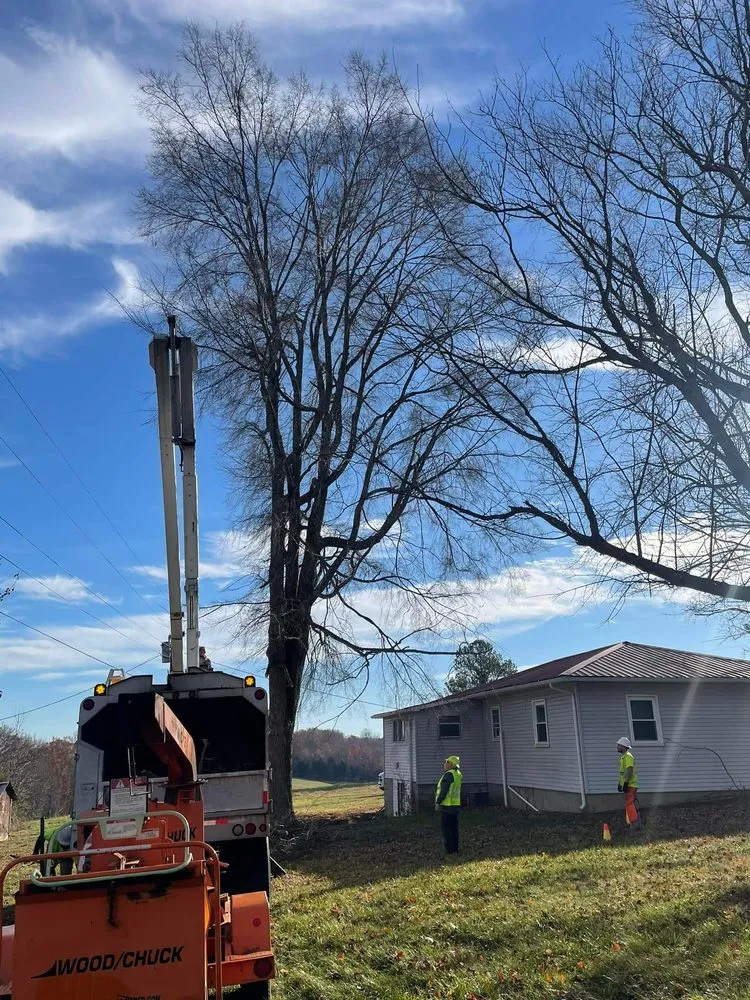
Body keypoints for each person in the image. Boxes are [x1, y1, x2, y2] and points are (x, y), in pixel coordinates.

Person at [435, 755, 462, 854]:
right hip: (456, 805)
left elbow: (444, 790)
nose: (444, 764)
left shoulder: (448, 775)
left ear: (451, 764)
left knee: (446, 829)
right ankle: (455, 848)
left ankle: (450, 850)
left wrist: (438, 802)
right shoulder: (458, 774)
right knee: (454, 828)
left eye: (446, 762)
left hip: (447, 806)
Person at [616, 736, 641, 828]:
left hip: (631, 784)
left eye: (619, 745)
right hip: (628, 784)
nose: (617, 747)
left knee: (630, 804)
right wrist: (620, 783)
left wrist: (626, 783)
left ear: (623, 746)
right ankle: (634, 822)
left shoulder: (628, 757)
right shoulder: (623, 757)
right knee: (629, 804)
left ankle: (635, 823)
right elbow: (623, 773)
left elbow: (629, 770)